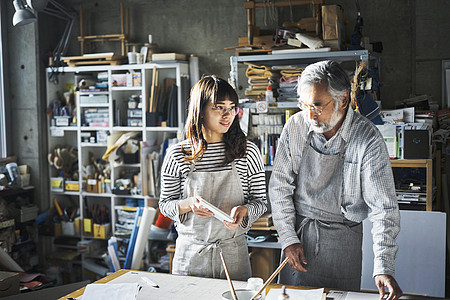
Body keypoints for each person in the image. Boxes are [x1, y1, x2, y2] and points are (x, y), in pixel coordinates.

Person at [269, 60, 402, 300]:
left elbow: (383, 208)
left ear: (342, 100)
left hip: (343, 244)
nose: (310, 114)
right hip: (300, 237)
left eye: (318, 106)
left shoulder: (367, 139)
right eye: (304, 104)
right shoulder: (295, 127)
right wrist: (288, 239)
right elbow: (279, 188)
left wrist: (383, 265)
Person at [159, 75, 267, 281]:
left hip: (233, 254)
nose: (227, 115)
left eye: (232, 107)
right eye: (219, 107)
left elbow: (261, 203)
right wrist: (188, 204)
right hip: (191, 256)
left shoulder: (248, 152)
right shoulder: (178, 154)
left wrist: (245, 212)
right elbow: (165, 205)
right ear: (200, 111)